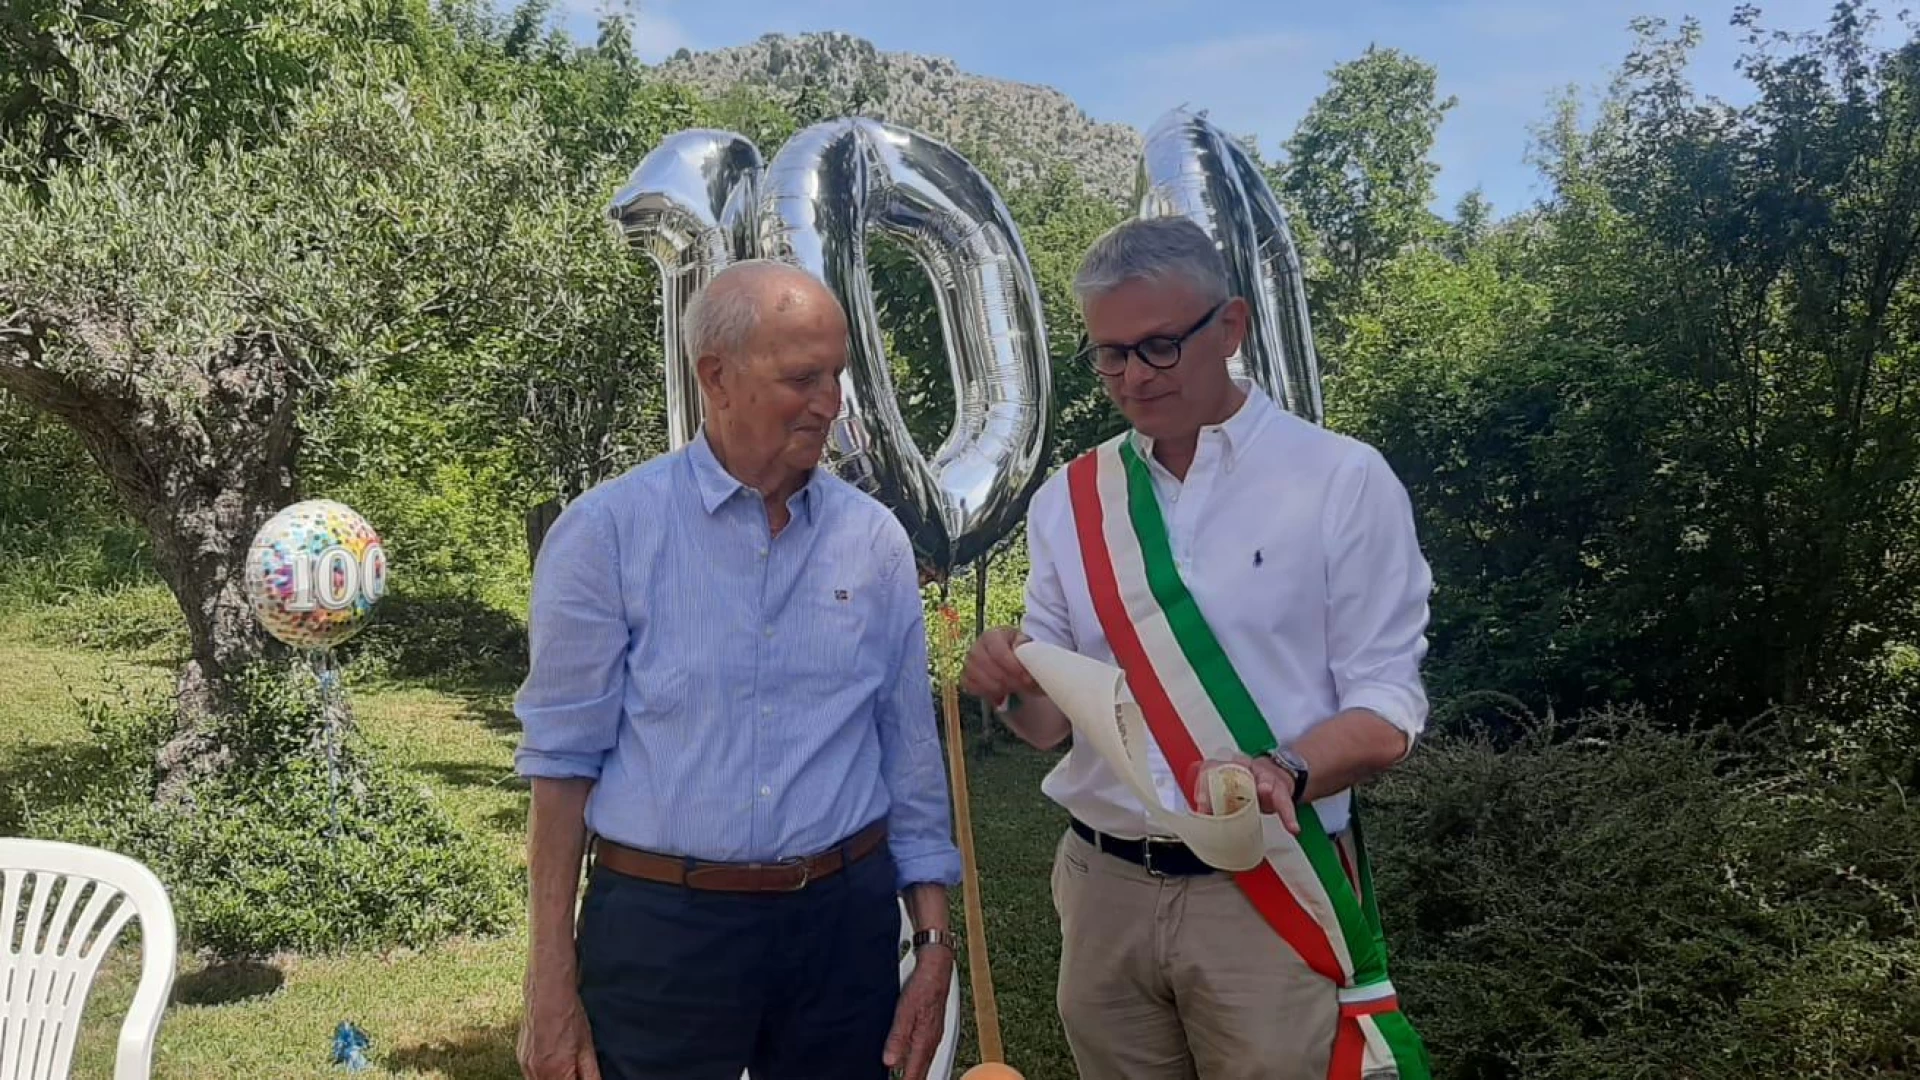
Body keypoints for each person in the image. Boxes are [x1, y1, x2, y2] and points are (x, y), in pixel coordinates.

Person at [961, 216, 1435, 1080]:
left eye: (1160, 346)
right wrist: (1005, 677)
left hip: (1263, 881)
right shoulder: (1072, 499)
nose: (1134, 378)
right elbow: (1045, 728)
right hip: (1101, 886)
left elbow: (1390, 708)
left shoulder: (1340, 479)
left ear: (1232, 326)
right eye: (1109, 354)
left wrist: (1285, 768)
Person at [513, 259, 963, 1080]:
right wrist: (549, 977)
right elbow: (561, 765)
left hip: (843, 930)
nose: (830, 403)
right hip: (663, 936)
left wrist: (932, 941)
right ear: (715, 377)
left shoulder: (875, 542)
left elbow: (908, 752)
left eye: (837, 375)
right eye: (802, 377)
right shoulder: (607, 533)